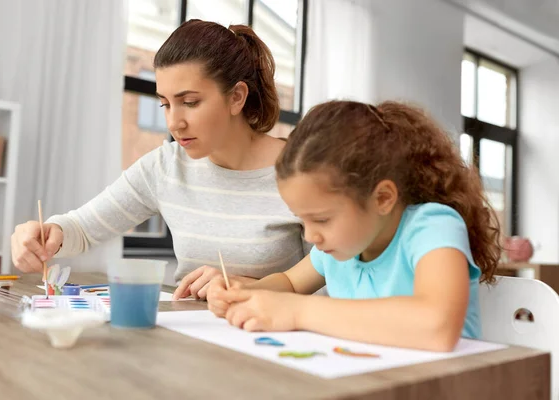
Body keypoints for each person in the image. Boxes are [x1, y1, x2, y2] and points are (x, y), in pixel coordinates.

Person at [11, 19, 310, 300]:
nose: (173, 122)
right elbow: (83, 228)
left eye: (190, 102)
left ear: (236, 97)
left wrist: (258, 288)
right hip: (190, 334)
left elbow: (331, 278)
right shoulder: (165, 166)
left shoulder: (302, 171)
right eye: (165, 104)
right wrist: (48, 233)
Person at [207, 100, 501, 352]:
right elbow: (290, 283)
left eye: (321, 219)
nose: (311, 235)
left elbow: (438, 326)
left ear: (382, 198)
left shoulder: (433, 226)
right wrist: (248, 292)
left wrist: (297, 312)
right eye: (303, 220)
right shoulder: (341, 247)